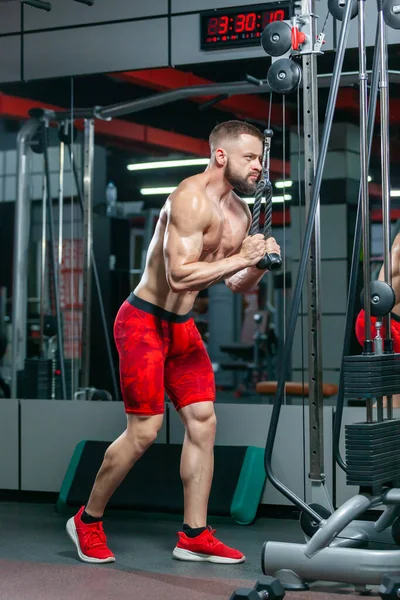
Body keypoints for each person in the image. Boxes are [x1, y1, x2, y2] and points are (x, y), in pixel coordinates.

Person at [66, 120, 281, 565]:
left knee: (204, 422)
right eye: (251, 157)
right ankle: (87, 520)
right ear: (221, 156)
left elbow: (235, 283)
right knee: (144, 431)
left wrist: (256, 263)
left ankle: (194, 534)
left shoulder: (239, 214)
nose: (259, 166)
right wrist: (243, 256)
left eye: (260, 158)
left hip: (181, 328)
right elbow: (179, 274)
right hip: (142, 322)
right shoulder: (189, 198)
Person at [355, 231, 400, 407]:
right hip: (385, 321)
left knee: (393, 391)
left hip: (378, 316)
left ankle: (382, 427)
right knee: (395, 391)